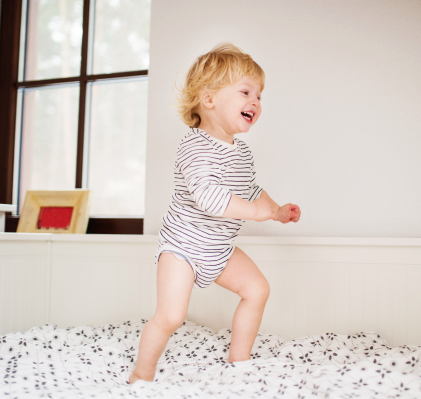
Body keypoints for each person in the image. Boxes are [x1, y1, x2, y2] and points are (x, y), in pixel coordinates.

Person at [129, 43, 301, 383]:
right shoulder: (194, 145)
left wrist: (276, 210)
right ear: (209, 100)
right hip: (183, 248)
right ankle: (141, 375)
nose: (255, 101)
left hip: (218, 249)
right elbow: (209, 197)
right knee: (171, 315)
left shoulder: (241, 152)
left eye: (259, 95)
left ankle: (239, 360)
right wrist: (254, 212)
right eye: (245, 92)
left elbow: (250, 190)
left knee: (257, 289)